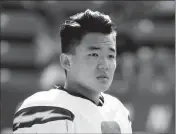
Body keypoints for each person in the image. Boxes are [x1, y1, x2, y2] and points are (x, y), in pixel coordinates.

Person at [13, 9, 132, 133]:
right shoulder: (45, 110)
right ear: (66, 62)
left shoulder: (119, 110)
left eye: (111, 56)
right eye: (94, 54)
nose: (105, 65)